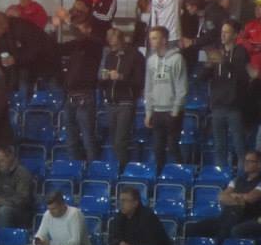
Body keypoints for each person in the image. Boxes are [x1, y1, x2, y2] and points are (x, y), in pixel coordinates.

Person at [186, 151, 261, 243]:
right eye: (245, 161)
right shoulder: (237, 179)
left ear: (259, 164)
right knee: (192, 228)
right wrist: (239, 200)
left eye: (250, 161)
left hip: (246, 219)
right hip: (225, 217)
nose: (245, 163)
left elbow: (251, 198)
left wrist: (233, 196)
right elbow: (222, 197)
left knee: (225, 231)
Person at [52, 18, 104, 162]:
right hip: (70, 95)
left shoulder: (94, 44)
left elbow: (82, 38)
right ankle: (74, 165)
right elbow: (55, 49)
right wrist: (55, 29)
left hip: (85, 95)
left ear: (88, 29)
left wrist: (67, 21)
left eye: (79, 27)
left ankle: (93, 168)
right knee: (70, 138)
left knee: (87, 137)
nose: (76, 31)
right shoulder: (75, 45)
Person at [203, 20, 250, 171]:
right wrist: (208, 66)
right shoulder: (217, 52)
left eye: (227, 32)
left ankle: (243, 176)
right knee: (219, 146)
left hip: (234, 106)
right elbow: (202, 78)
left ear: (235, 35)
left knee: (239, 145)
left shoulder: (241, 52)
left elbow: (240, 74)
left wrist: (223, 61)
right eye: (222, 32)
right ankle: (221, 176)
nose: (223, 35)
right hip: (217, 105)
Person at [100, 187, 175, 245]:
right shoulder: (119, 216)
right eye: (120, 200)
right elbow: (112, 238)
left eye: (124, 201)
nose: (121, 204)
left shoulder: (148, 217)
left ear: (135, 203)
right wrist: (120, 243)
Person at [100, 28, 144, 172]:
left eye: (114, 43)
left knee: (120, 141)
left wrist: (120, 77)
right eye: (110, 43)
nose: (112, 46)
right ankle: (118, 169)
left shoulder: (135, 56)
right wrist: (103, 79)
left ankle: (122, 171)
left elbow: (139, 81)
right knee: (114, 141)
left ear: (121, 40)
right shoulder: (110, 56)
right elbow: (103, 81)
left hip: (126, 102)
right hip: (111, 103)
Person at [144, 26, 188, 171]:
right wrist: (149, 112)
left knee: (173, 147)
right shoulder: (151, 61)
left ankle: (181, 175)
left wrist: (175, 110)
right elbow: (148, 87)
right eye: (150, 38)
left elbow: (182, 87)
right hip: (157, 111)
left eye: (154, 38)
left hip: (172, 111)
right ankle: (159, 177)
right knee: (158, 149)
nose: (151, 41)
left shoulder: (177, 59)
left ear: (164, 40)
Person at [0, 11, 49, 100]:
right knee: (3, 78)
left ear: (4, 25)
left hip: (34, 62)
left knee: (23, 80)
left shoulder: (22, 28)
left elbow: (34, 50)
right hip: (14, 63)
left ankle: (22, 104)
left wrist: (15, 59)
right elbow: (0, 49)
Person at [25, 192, 91, 245]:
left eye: (54, 209)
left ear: (62, 205)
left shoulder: (75, 214)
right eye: (49, 209)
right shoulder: (47, 214)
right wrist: (38, 243)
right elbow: (40, 234)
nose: (51, 212)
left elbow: (76, 243)